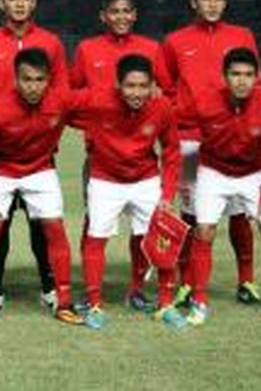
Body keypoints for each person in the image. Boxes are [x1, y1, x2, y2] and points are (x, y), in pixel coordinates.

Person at [0, 0, 69, 314]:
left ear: (34, 2)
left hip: (39, 154)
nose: (19, 3)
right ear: (2, 3)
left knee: (44, 227)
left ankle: (50, 287)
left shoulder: (51, 43)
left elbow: (61, 92)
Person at [159, 0, 261, 307]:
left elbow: (254, 81)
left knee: (238, 212)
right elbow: (166, 85)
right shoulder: (175, 41)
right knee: (191, 213)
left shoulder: (242, 36)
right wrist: (181, 113)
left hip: (233, 136)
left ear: (225, 2)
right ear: (194, 2)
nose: (212, 4)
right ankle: (188, 282)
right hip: (189, 140)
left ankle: (246, 280)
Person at [186, 48, 261, 326]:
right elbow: (178, 130)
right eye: (236, 74)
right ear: (225, 77)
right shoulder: (204, 103)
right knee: (204, 231)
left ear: (257, 77)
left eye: (248, 75)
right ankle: (199, 301)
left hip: (254, 174)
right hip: (213, 172)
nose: (242, 81)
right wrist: (186, 179)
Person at [71, 0, 169, 311]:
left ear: (135, 14)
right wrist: (96, 130)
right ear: (103, 16)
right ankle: (91, 290)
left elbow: (165, 91)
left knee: (144, 229)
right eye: (114, 11)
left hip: (141, 155)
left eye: (127, 11)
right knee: (94, 222)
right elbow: (72, 97)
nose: (121, 17)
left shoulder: (152, 49)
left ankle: (137, 288)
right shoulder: (87, 49)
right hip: (100, 158)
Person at [0, 48, 87, 327]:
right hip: (1, 170)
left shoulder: (61, 101)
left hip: (40, 170)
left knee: (55, 229)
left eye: (39, 80)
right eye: (27, 79)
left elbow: (101, 102)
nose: (33, 86)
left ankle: (63, 301)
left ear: (49, 80)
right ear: (16, 78)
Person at [69, 55, 184, 330]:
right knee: (96, 237)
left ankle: (161, 302)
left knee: (158, 239)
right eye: (130, 86)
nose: (137, 93)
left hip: (145, 179)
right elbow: (61, 106)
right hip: (105, 179)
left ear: (152, 85)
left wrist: (167, 194)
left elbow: (171, 151)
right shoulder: (96, 99)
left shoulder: (162, 106)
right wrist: (90, 133)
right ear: (117, 85)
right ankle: (95, 304)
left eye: (143, 86)